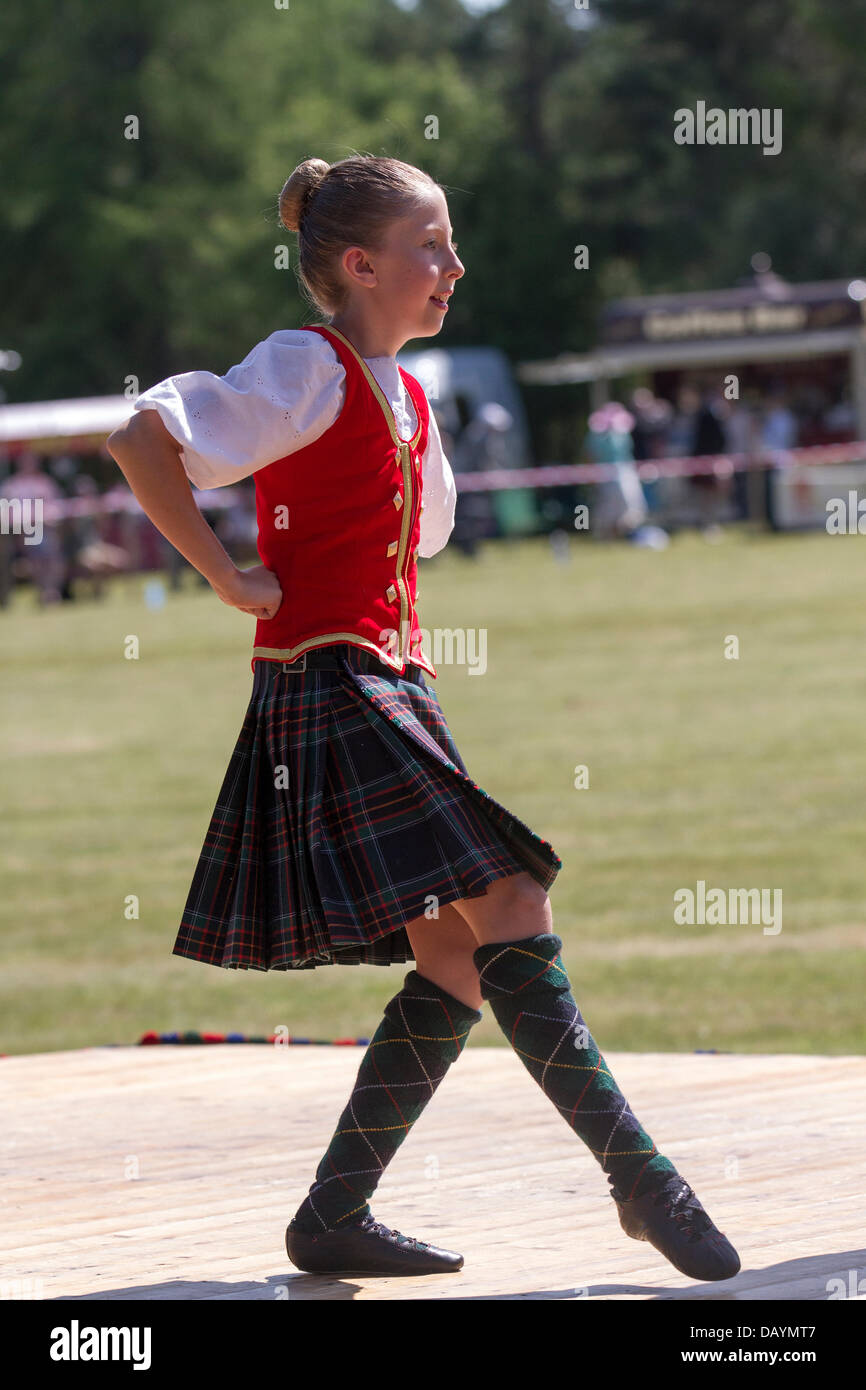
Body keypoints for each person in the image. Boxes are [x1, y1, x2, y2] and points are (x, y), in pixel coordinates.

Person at [106, 153, 739, 1283]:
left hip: (392, 682)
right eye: (430, 246)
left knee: (454, 958)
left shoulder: (403, 390)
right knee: (512, 895)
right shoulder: (305, 362)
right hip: (330, 679)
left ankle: (332, 1215)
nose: (453, 265)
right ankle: (643, 1181)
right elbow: (144, 440)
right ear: (357, 265)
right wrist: (222, 573)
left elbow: (425, 530)